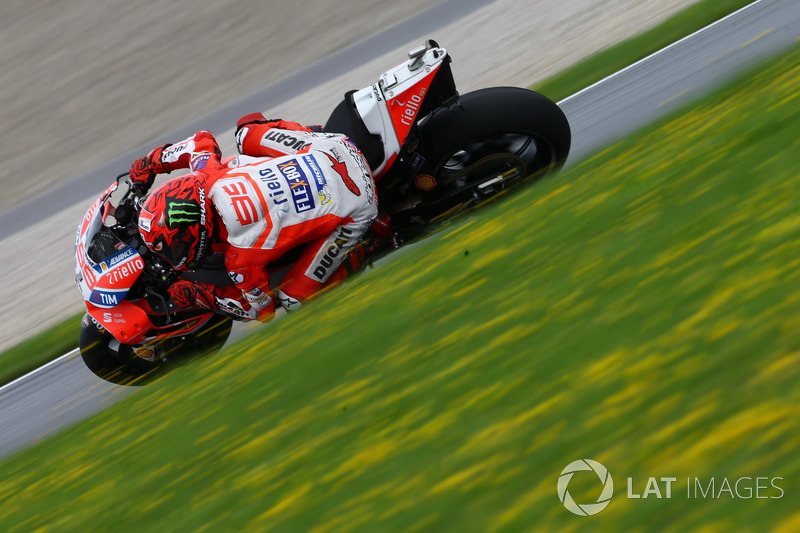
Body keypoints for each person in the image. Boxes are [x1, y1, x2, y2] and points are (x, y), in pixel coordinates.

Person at [130, 113, 384, 322]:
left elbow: (260, 311)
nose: (175, 253)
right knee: (245, 131)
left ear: (197, 231)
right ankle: (311, 131)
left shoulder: (240, 261)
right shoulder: (207, 176)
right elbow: (200, 141)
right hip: (332, 148)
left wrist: (198, 293)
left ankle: (372, 241)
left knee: (292, 300)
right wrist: (149, 164)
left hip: (358, 204)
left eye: (177, 246)